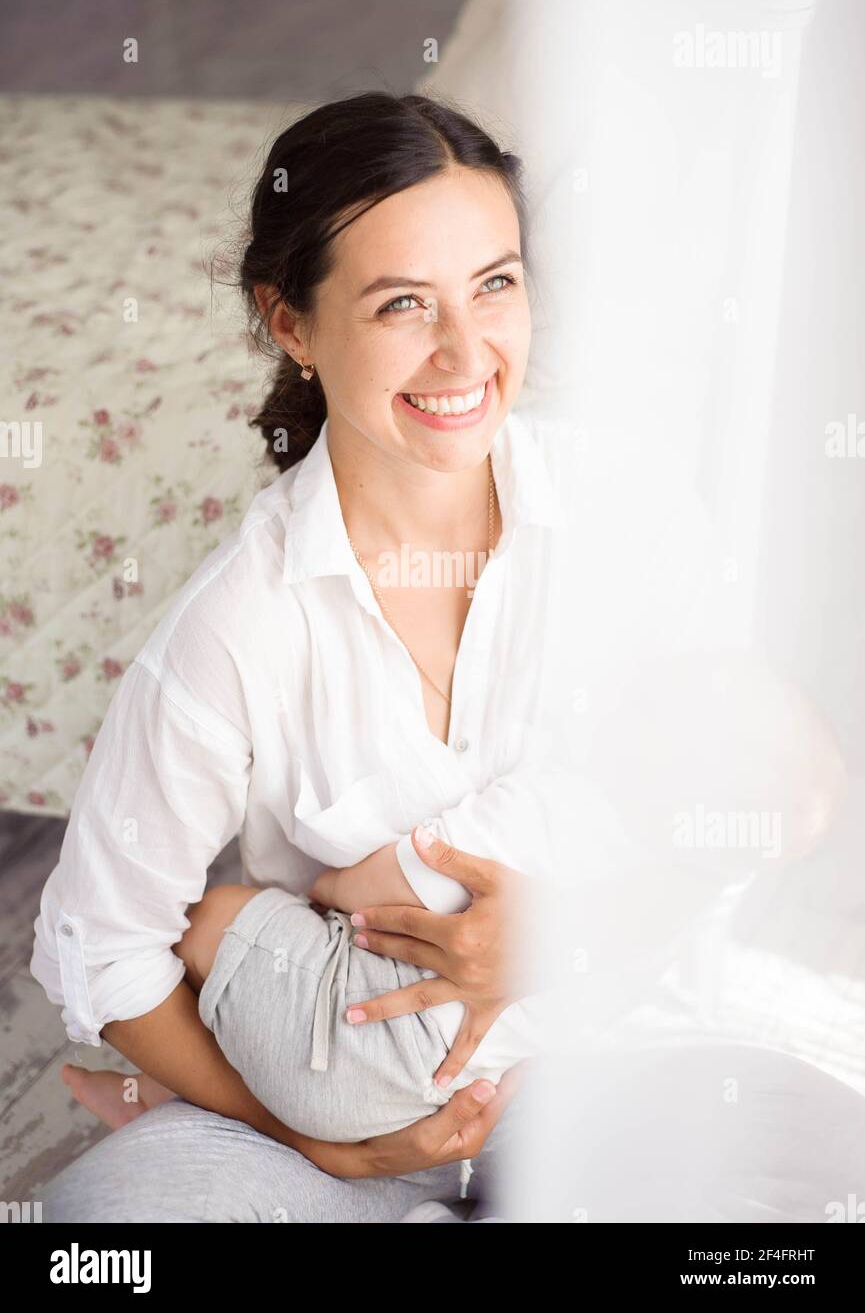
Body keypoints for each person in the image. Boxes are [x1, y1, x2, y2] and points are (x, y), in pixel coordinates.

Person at [29, 90, 591, 1219]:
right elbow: (103, 943)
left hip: (604, 1082)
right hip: (348, 1112)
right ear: (290, 324)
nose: (464, 352)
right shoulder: (237, 625)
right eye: (401, 305)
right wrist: (302, 1137)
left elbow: (752, 797)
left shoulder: (617, 511)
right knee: (106, 1234)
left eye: (495, 283)